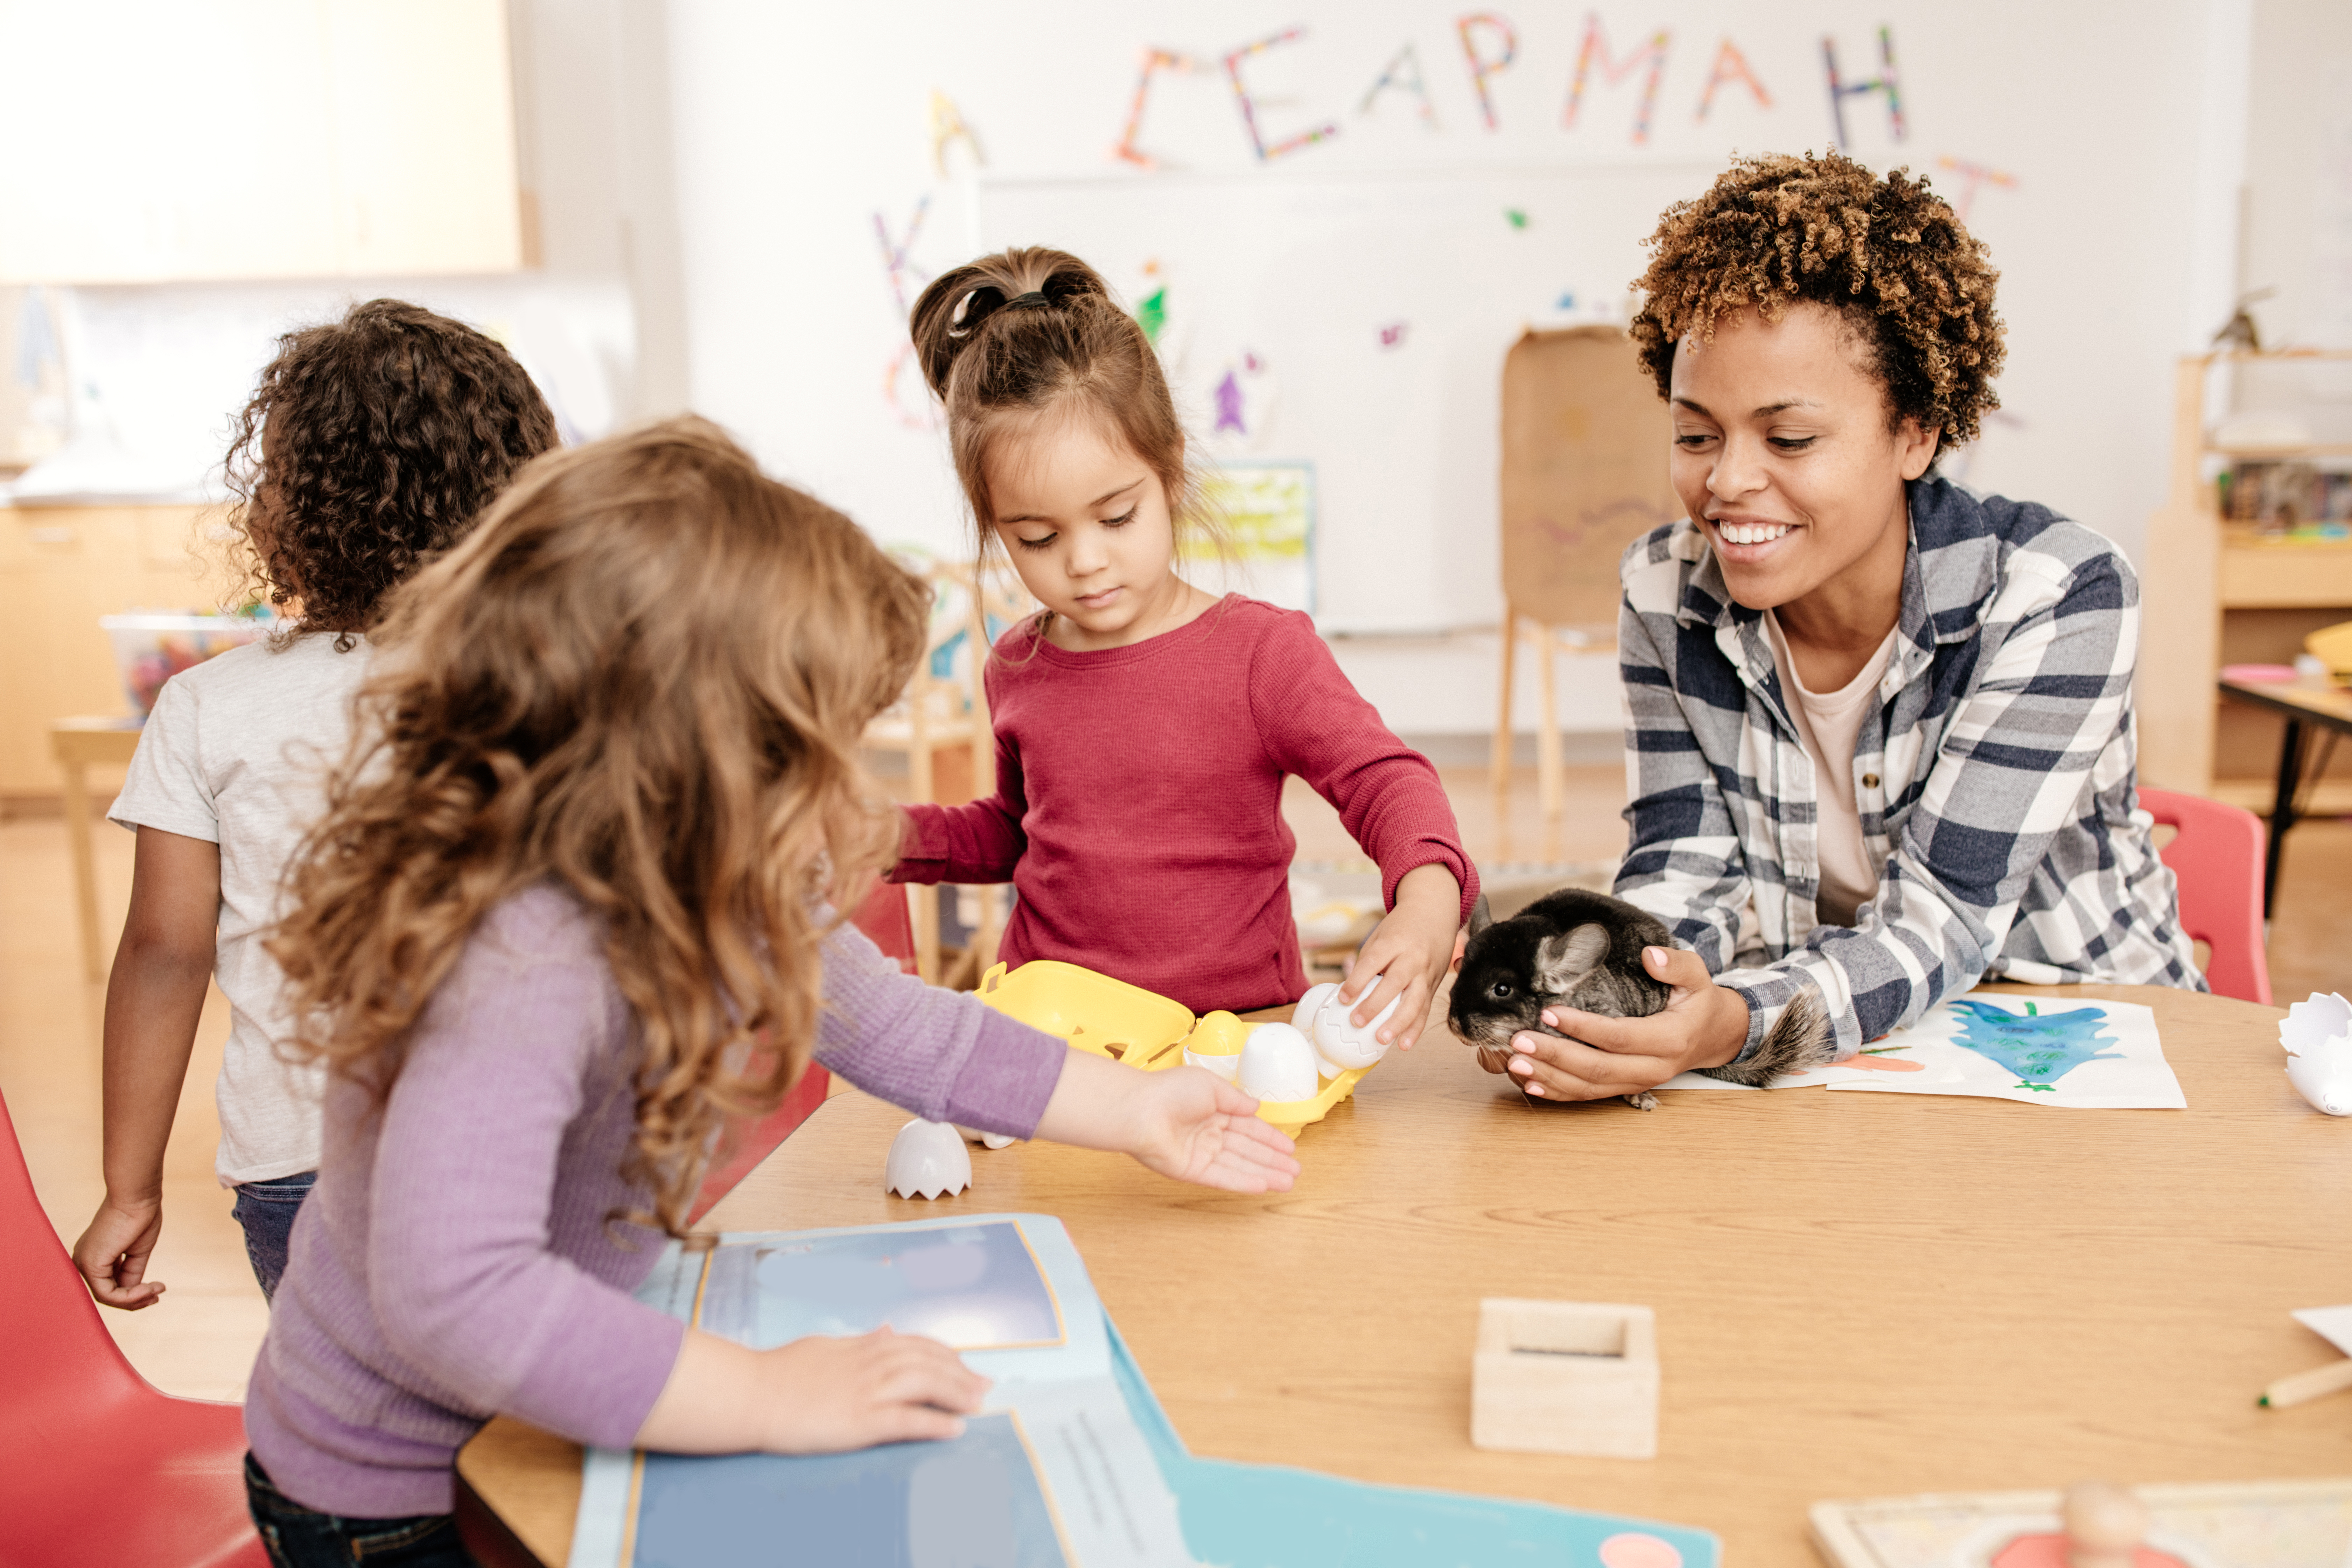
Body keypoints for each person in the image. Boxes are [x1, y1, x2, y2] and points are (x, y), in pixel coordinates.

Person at [238, 418, 1298, 1563]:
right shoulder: (522, 958)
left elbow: (898, 1027)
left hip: (532, 1419)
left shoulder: (702, 865)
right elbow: (457, 1293)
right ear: (685, 749)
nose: (844, 787)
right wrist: (771, 1395)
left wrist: (1137, 1109)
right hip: (397, 1496)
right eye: (815, 749)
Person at [1488, 152, 2200, 1105]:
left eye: (1789, 439)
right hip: (1838, 1047)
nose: (1727, 480)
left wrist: (1730, 1024)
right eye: (1696, 434)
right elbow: (1681, 864)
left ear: (1916, 432)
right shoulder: (1664, 588)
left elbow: (1945, 918)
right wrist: (1606, 1011)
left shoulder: (2057, 595)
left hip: (2082, 1044)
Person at [73, 300, 559, 1307]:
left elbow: (165, 953)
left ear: (295, 507)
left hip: (305, 1163)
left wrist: (131, 1187)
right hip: (536, 1138)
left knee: (342, 1392)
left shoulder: (207, 706)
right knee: (534, 1384)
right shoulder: (558, 686)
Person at [896, 247, 1477, 1045]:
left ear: (1169, 471)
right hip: (1060, 1046)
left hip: (1232, 1040)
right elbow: (1019, 830)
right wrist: (896, 838)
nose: (1085, 561)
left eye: (1116, 517)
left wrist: (1427, 903)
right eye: (1037, 537)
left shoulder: (1261, 652)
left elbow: (1385, 780)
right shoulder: (1018, 665)